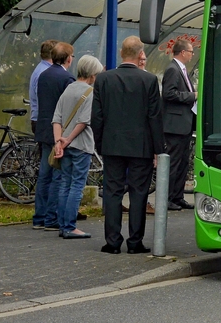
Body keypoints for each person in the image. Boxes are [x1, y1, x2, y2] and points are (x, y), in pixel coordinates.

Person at [91, 36, 164, 255]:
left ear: (122, 53)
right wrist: (158, 149)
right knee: (138, 193)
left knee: (112, 192)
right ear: (141, 54)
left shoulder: (103, 80)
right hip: (140, 147)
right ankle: (135, 242)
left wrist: (100, 143)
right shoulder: (149, 81)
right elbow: (154, 117)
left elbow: (97, 117)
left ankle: (112, 242)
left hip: (112, 145)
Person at [52, 55, 103, 239]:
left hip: (65, 146)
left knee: (65, 183)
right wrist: (69, 139)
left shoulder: (68, 89)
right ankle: (70, 226)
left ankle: (62, 225)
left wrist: (60, 141)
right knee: (76, 185)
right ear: (92, 74)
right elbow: (84, 121)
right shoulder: (90, 92)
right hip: (81, 145)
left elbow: (56, 118)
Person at [33, 42, 75, 231]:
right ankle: (52, 218)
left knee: (44, 175)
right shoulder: (67, 78)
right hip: (58, 131)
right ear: (68, 58)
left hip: (43, 129)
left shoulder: (43, 75)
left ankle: (39, 217)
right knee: (58, 174)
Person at [162, 39, 197, 211]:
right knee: (174, 161)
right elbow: (169, 94)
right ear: (183, 52)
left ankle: (178, 196)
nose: (192, 55)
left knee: (183, 161)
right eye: (191, 51)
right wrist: (192, 96)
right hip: (175, 124)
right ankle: (167, 198)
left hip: (184, 123)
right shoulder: (172, 70)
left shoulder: (181, 70)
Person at [29, 39, 58, 134]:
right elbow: (44, 100)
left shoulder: (41, 68)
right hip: (45, 122)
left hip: (40, 120)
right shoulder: (45, 73)